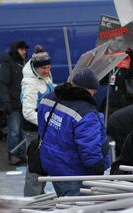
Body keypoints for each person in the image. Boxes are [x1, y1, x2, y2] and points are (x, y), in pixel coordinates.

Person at [38, 68, 111, 197]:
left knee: (63, 204)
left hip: (53, 165)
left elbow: (43, 128)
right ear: (90, 89)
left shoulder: (48, 99)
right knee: (77, 212)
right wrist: (100, 171)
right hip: (74, 173)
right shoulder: (86, 113)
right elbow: (90, 150)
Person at [21, 45, 54, 196]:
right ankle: (31, 202)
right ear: (35, 68)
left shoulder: (44, 76)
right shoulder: (29, 83)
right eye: (44, 69)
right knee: (34, 168)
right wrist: (48, 123)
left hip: (43, 130)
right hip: (34, 131)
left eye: (49, 67)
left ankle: (39, 197)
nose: (47, 71)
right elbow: (28, 112)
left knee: (43, 165)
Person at [0, 40, 28, 166]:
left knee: (22, 131)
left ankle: (21, 153)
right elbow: (3, 84)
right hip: (13, 103)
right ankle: (13, 154)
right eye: (22, 49)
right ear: (16, 50)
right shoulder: (8, 63)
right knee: (14, 131)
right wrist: (6, 102)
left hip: (23, 102)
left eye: (25, 49)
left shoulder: (23, 62)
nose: (24, 52)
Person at [101, 48, 133, 115]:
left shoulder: (126, 69)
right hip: (113, 99)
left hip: (125, 99)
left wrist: (132, 56)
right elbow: (102, 81)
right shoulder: (111, 70)